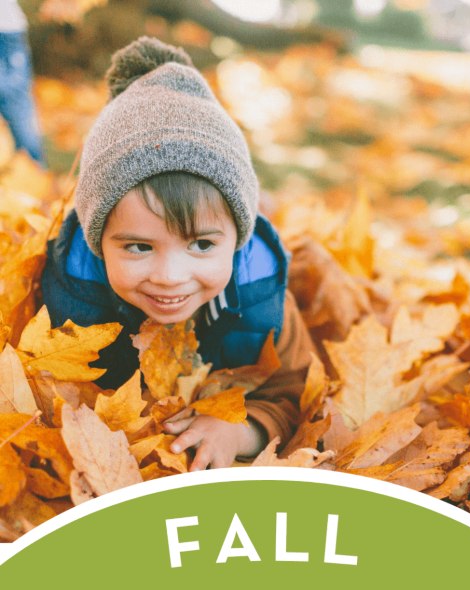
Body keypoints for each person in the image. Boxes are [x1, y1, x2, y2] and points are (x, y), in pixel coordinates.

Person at [41, 37, 314, 470]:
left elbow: (295, 390)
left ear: (236, 237)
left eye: (202, 245)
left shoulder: (261, 298)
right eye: (138, 247)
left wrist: (241, 430)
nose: (170, 275)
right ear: (98, 239)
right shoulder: (70, 297)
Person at [0, 0, 44, 163]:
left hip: (7, 31)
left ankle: (32, 173)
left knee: (18, 108)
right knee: (18, 108)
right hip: (8, 29)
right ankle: (34, 172)